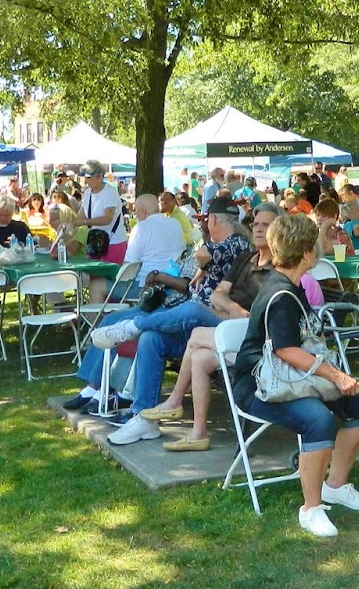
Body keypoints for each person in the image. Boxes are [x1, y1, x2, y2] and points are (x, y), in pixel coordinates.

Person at [229, 211, 359, 537]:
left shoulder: (292, 286)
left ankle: (335, 485)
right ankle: (311, 509)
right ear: (307, 253)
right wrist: (336, 376)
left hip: (292, 378)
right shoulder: (280, 295)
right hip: (259, 385)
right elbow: (285, 350)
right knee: (317, 419)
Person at [146, 205, 324, 450]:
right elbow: (218, 294)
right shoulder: (247, 259)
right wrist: (232, 308)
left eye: (266, 225)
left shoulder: (281, 271)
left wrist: (235, 313)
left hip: (255, 340)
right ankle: (198, 433)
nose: (258, 229)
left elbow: (275, 322)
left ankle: (172, 398)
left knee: (194, 320)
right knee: (196, 355)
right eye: (256, 224)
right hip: (234, 327)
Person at [79, 195, 254, 442]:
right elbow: (217, 291)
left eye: (206, 220)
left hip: (222, 327)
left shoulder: (237, 244)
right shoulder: (234, 249)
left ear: (214, 219)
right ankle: (144, 418)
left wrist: (200, 268)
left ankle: (132, 328)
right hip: (193, 323)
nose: (204, 225)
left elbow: (202, 257)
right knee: (151, 338)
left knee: (189, 310)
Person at [122, 193, 186, 287]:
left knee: (100, 284)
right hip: (173, 283)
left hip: (144, 285)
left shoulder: (140, 228)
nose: (135, 214)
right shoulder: (175, 224)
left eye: (136, 211)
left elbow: (129, 266)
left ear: (143, 211)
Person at [79, 160, 128, 261]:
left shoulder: (110, 192)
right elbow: (81, 215)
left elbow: (107, 219)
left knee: (110, 270)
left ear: (99, 176)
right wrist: (68, 223)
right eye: (85, 177)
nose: (86, 180)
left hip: (113, 241)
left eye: (89, 177)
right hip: (95, 242)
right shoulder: (88, 193)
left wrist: (84, 222)